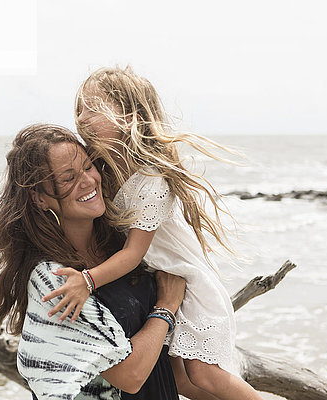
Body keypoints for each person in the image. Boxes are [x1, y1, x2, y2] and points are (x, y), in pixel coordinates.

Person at [42, 66, 263, 399]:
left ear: (130, 115)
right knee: (180, 383)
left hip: (186, 283)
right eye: (78, 110)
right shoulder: (103, 165)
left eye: (93, 108)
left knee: (204, 374)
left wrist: (87, 280)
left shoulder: (152, 180)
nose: (82, 118)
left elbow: (133, 253)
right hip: (158, 281)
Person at [0, 124, 191, 399]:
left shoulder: (123, 249)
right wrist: (166, 307)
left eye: (88, 166)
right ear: (40, 198)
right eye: (68, 178)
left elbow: (171, 370)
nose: (89, 181)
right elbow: (130, 375)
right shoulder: (54, 279)